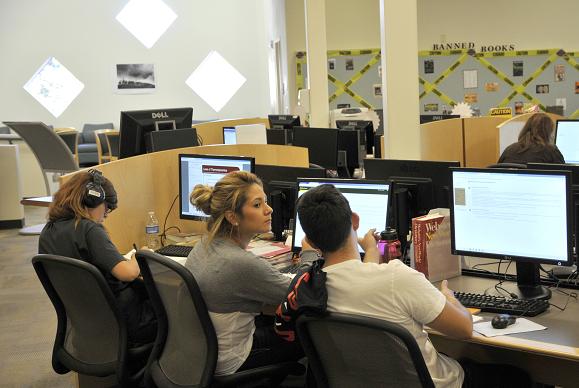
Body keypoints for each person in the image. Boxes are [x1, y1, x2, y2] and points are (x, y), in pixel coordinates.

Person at [293, 184, 532, 388]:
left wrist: (372, 253)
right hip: (437, 383)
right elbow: (463, 329)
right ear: (355, 220)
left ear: (310, 242)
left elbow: (356, 275)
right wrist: (448, 297)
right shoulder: (398, 278)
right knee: (518, 377)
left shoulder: (310, 288)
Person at [185, 171, 316, 375]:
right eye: (257, 205)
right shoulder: (240, 263)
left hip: (202, 353)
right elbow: (303, 294)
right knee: (312, 334)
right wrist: (310, 254)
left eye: (265, 201)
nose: (269, 209)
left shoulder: (205, 244)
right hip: (231, 359)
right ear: (232, 217)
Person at [38, 169, 156, 346]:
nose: (107, 214)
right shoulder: (89, 230)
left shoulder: (48, 231)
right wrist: (142, 254)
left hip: (90, 324)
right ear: (91, 199)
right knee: (178, 309)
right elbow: (128, 273)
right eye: (107, 207)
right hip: (125, 324)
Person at [498, 112, 564, 164]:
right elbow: (567, 176)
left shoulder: (509, 150)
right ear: (548, 132)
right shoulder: (551, 151)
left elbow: (497, 171)